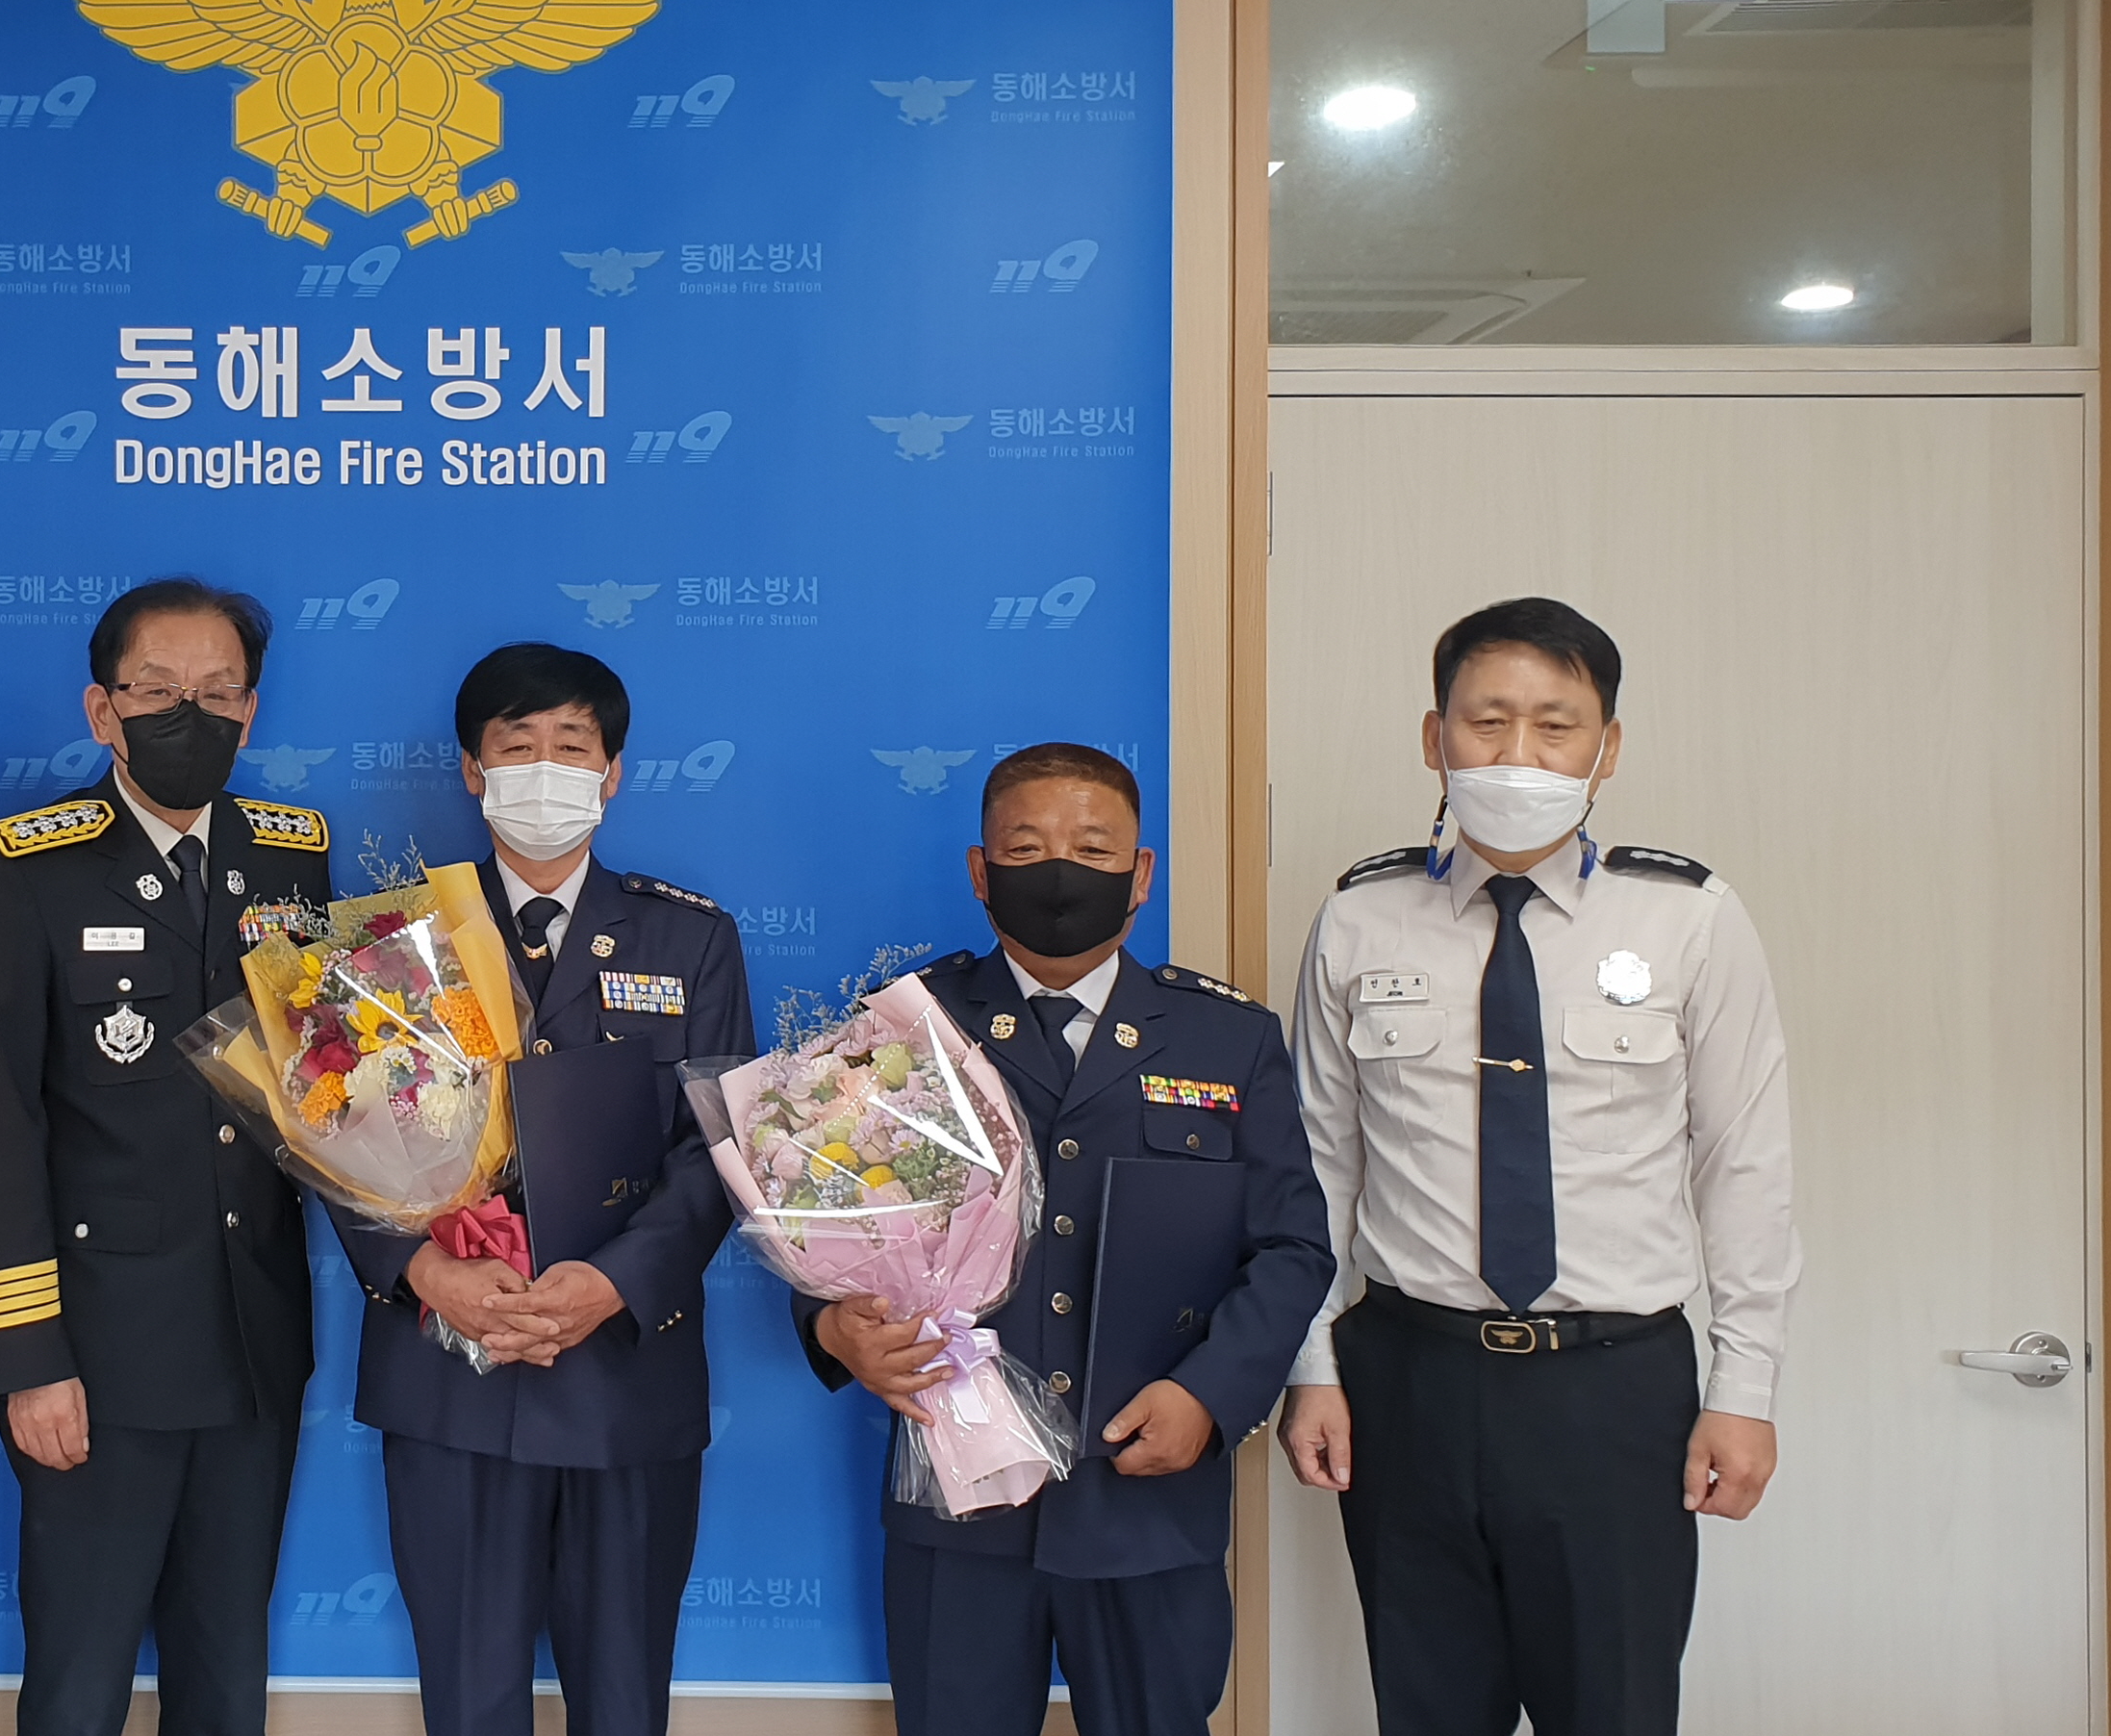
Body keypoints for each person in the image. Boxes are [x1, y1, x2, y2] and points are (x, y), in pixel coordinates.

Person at [1277, 597, 1799, 1736]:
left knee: (1611, 1710)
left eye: (1555, 725)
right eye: (1487, 720)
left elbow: (1743, 1165)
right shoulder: (1359, 916)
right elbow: (1314, 1164)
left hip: (1611, 1390)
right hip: (1406, 1378)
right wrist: (1309, 1361)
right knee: (1428, 1710)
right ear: (1434, 737)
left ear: (1605, 749)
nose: (1518, 753)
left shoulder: (1688, 920)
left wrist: (1743, 1388)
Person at [804, 742, 1330, 1736]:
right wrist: (834, 1328)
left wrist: (1208, 1398)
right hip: (958, 1499)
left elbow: (1292, 1248)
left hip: (1147, 1496)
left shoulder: (1228, 1039)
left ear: (1140, 873)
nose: (1059, 872)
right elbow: (821, 1210)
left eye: (1092, 850)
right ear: (979, 870)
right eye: (1026, 847)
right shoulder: (904, 1026)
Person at [328, 642, 750, 1736]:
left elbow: (717, 1150)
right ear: (473, 770)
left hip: (624, 1375)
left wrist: (611, 1285)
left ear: (612, 774)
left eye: (572, 745)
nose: (546, 768)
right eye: (517, 746)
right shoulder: (394, 937)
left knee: (624, 1699)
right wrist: (424, 1271)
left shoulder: (691, 939)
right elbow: (333, 1129)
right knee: (468, 1700)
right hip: (447, 1373)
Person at [0, 577, 333, 1736]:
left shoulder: (291, 858)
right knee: (80, 1676)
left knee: (227, 1671)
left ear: (250, 710)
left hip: (252, 1344)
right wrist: (26, 1357)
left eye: (217, 691)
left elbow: (326, 1084)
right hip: (96, 1357)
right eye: (157, 690)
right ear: (101, 709)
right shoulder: (25, 866)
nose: (187, 714)